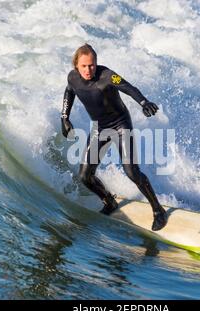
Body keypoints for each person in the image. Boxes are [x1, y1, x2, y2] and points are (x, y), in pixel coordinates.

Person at [60, 44, 168, 231]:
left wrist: (144, 102)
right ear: (76, 65)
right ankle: (109, 201)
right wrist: (64, 117)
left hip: (120, 125)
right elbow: (69, 91)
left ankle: (158, 211)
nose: (89, 70)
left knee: (132, 172)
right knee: (85, 176)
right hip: (99, 128)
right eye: (84, 66)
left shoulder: (107, 76)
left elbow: (128, 87)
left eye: (92, 65)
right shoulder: (72, 77)